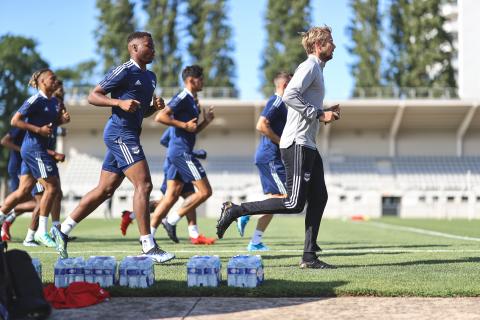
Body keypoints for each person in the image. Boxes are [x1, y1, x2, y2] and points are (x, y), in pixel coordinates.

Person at [216, 26, 341, 269]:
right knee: (294, 203)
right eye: (330, 42)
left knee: (320, 197)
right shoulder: (310, 66)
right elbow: (289, 95)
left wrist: (324, 113)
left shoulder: (318, 69)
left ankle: (309, 257)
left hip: (309, 144)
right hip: (297, 143)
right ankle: (235, 210)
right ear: (318, 46)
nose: (334, 46)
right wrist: (318, 113)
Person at [50, 31, 173, 263]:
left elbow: (137, 110)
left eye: (154, 45)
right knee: (144, 184)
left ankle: (62, 230)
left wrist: (152, 109)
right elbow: (93, 95)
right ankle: (148, 245)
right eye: (149, 45)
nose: (154, 49)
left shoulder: (151, 77)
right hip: (120, 134)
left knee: (105, 190)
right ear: (134, 48)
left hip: (129, 134)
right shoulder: (124, 70)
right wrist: (118, 102)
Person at [148, 65, 215, 244]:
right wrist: (184, 125)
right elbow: (160, 117)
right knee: (205, 191)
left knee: (171, 195)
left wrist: (205, 122)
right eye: (201, 78)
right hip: (181, 153)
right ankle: (171, 221)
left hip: (178, 152)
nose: (203, 81)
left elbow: (192, 130)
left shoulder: (192, 100)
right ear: (191, 80)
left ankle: (148, 237)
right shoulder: (183, 96)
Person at [0, 69, 65, 248]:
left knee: (24, 191)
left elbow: (48, 126)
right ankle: (42, 232)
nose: (55, 81)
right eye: (52, 78)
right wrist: (38, 130)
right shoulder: (35, 99)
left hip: (37, 150)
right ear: (42, 81)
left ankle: (7, 220)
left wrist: (61, 121)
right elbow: (15, 121)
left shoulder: (54, 102)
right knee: (52, 188)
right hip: (34, 150)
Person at [120, 127, 215, 244]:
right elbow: (164, 140)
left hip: (180, 164)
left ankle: (194, 234)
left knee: (190, 198)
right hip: (174, 165)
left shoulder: (186, 123)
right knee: (166, 201)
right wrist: (188, 152)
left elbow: (167, 140)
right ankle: (137, 221)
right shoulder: (176, 125)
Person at [236, 72, 292, 251]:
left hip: (271, 157)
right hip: (270, 157)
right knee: (286, 199)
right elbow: (261, 125)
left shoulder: (283, 105)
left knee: (276, 200)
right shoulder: (276, 101)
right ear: (285, 85)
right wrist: (281, 141)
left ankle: (255, 241)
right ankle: (244, 212)